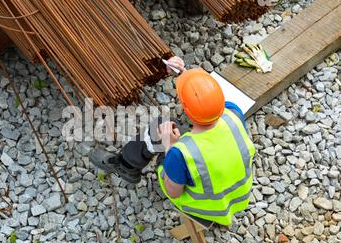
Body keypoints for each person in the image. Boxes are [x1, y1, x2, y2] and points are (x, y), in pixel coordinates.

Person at [89, 57, 256, 226]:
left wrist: (170, 146)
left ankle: (126, 165)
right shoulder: (234, 113)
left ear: (186, 109)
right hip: (239, 196)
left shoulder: (181, 154)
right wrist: (185, 75)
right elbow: (205, 99)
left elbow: (174, 192)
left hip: (210, 207)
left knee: (159, 129)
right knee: (175, 132)